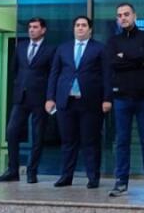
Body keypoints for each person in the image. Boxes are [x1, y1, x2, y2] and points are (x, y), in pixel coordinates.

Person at [106, 3, 144, 198]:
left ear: (134, 15)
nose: (123, 18)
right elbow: (113, 62)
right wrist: (137, 59)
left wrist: (126, 56)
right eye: (119, 15)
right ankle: (121, 182)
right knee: (122, 141)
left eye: (126, 14)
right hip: (121, 98)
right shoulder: (113, 41)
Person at [46, 15, 111, 189]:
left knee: (90, 142)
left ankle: (93, 177)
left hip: (90, 102)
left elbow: (107, 75)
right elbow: (54, 74)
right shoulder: (63, 48)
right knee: (68, 141)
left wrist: (107, 98)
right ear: (73, 28)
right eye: (77, 25)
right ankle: (66, 176)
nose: (80, 28)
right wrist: (50, 97)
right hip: (66, 102)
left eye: (84, 25)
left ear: (90, 29)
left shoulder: (100, 48)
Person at [0, 17, 57, 184]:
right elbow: (14, 69)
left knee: (37, 136)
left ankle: (32, 171)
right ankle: (12, 170)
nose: (31, 30)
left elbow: (53, 75)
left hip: (40, 98)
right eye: (30, 27)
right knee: (11, 131)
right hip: (21, 96)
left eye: (35, 27)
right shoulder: (21, 47)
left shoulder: (51, 50)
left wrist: (50, 97)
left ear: (43, 30)